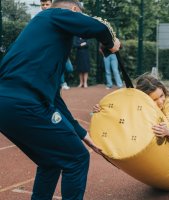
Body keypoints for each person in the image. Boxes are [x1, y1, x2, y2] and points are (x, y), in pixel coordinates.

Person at [0, 0, 120, 199]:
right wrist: (111, 44)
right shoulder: (53, 14)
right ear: (74, 11)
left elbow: (54, 98)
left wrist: (82, 134)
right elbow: (99, 27)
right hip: (24, 103)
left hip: (7, 104)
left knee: (51, 161)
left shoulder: (48, 42)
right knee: (77, 159)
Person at [93, 75, 169, 168]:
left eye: (161, 95)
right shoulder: (139, 105)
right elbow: (120, 111)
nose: (160, 101)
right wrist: (102, 110)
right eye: (154, 99)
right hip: (165, 125)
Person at [40, 0, 72, 90]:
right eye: (43, 4)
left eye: (47, 4)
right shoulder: (40, 18)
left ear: (52, 5)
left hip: (61, 49)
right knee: (54, 66)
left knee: (69, 69)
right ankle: (60, 83)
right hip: (48, 50)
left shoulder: (58, 16)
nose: (45, 6)